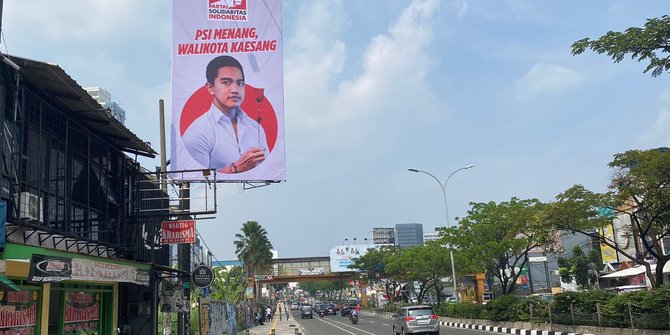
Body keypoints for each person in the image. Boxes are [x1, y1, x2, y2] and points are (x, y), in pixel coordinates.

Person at [182, 55, 268, 173]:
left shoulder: (256, 128)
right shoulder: (197, 132)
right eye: (226, 82)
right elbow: (196, 177)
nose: (235, 89)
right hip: (213, 192)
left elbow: (268, 169)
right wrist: (236, 168)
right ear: (210, 88)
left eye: (240, 83)